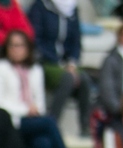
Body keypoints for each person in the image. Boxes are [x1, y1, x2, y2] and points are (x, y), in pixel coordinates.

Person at [0, 30, 80, 148]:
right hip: (10, 121)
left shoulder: (35, 69)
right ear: (6, 48)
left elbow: (39, 102)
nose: (16, 49)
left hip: (32, 120)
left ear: (28, 48)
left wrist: (34, 111)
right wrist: (25, 110)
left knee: (44, 142)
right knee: (49, 122)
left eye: (20, 45)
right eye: (12, 45)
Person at [26, 0, 88, 137]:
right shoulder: (40, 7)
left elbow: (76, 42)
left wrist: (72, 63)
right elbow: (36, 41)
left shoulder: (72, 9)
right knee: (67, 78)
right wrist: (58, 62)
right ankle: (52, 123)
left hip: (66, 64)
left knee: (84, 79)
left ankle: (85, 127)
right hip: (45, 62)